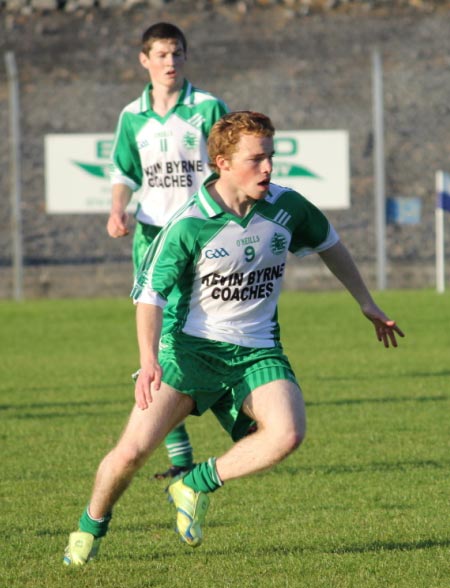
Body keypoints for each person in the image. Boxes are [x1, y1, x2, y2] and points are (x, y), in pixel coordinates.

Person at [64, 111, 404, 566]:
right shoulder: (189, 223)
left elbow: (330, 244)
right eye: (256, 159)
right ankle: (90, 526)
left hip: (258, 350)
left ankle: (194, 481)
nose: (268, 168)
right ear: (222, 162)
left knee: (286, 434)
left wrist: (366, 302)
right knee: (130, 455)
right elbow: (149, 296)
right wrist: (149, 360)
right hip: (187, 353)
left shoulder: (288, 207)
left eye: (271, 157)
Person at [106, 22, 229, 479]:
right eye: (160, 54)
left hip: (200, 233)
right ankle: (180, 457)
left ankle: (242, 408)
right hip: (152, 235)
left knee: (204, 330)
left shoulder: (208, 106)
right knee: (155, 340)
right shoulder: (132, 116)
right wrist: (118, 211)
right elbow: (123, 171)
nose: (170, 62)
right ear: (145, 60)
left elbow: (228, 163)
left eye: (176, 53)